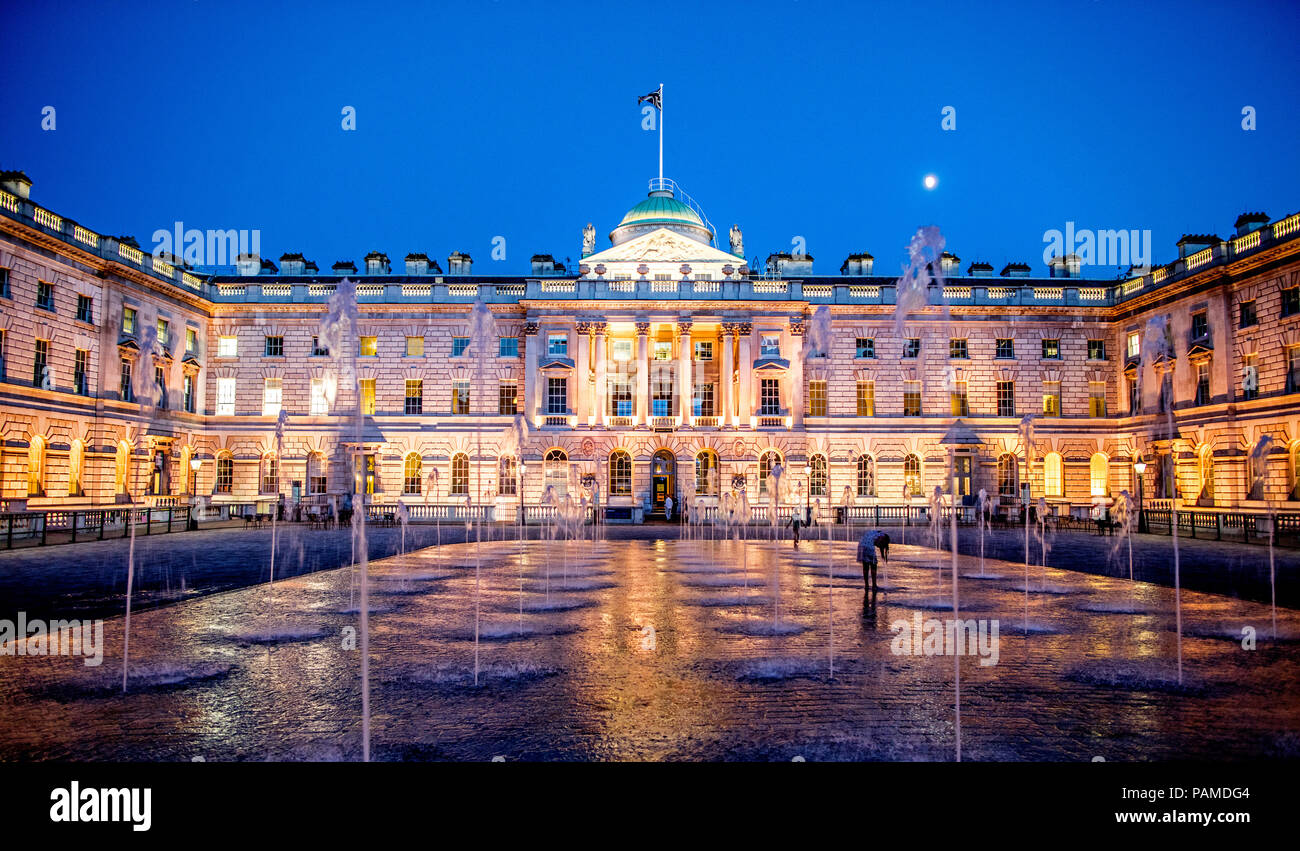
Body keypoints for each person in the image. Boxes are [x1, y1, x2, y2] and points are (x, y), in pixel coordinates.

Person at [857, 529, 890, 596]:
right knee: (873, 565)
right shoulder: (882, 536)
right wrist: (883, 556)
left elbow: (877, 543)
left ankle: (866, 585)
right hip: (869, 546)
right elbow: (879, 544)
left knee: (865, 566)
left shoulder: (875, 533)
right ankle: (874, 585)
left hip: (861, 545)